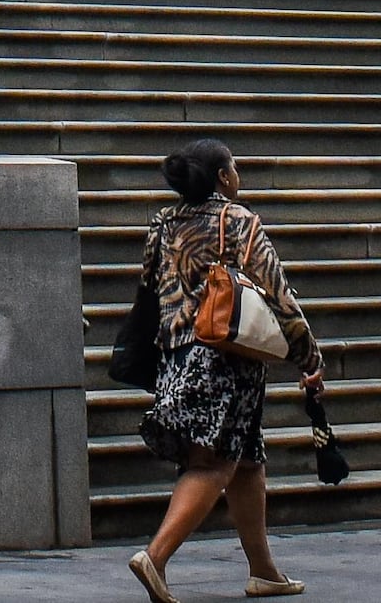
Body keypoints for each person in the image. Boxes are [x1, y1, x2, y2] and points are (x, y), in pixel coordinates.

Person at [124, 139, 318, 603]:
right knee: (213, 463)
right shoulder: (239, 220)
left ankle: (264, 571)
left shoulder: (163, 223)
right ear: (223, 177)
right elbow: (278, 294)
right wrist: (309, 358)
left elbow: (148, 289)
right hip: (227, 358)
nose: (238, 174)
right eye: (234, 167)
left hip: (177, 354)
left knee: (247, 459)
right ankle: (156, 556)